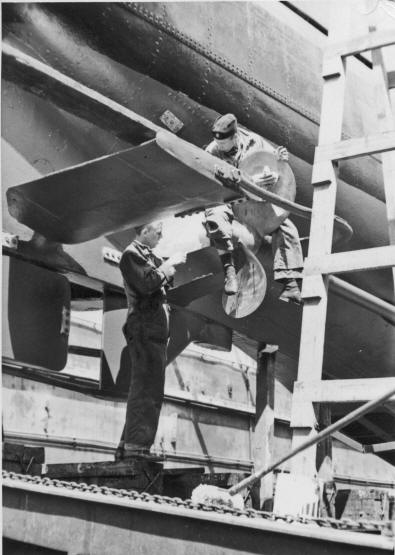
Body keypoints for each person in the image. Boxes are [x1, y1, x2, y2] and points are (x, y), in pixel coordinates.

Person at [204, 113, 303, 304]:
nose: (220, 147)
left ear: (235, 136)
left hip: (256, 202)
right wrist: (248, 183)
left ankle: (290, 284)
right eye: (218, 144)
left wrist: (280, 160)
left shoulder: (253, 141)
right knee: (215, 217)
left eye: (224, 144)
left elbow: (271, 160)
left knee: (286, 227)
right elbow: (213, 188)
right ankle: (230, 273)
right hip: (230, 202)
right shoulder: (212, 151)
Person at [116, 222, 186, 460]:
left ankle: (132, 444)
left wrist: (164, 269)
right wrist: (168, 267)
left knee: (150, 389)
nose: (161, 236)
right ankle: (137, 447)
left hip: (153, 331)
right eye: (158, 232)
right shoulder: (130, 256)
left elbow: (157, 283)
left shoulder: (147, 257)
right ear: (144, 231)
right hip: (145, 328)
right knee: (145, 389)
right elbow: (147, 284)